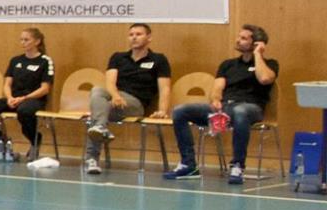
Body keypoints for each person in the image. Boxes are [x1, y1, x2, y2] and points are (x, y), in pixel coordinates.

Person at [167, 24, 280, 184]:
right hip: (225, 107)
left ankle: (237, 165)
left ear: (256, 43)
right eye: (238, 37)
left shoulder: (270, 64)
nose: (238, 41)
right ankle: (188, 164)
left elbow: (265, 79)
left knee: (241, 112)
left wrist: (257, 55)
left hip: (251, 108)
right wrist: (215, 100)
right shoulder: (228, 64)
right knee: (180, 111)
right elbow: (218, 87)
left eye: (243, 38)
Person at [87, 22, 170, 175]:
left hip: (135, 104)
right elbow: (110, 82)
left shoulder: (159, 59)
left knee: (97, 112)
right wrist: (116, 96)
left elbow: (164, 88)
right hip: (115, 99)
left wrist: (163, 110)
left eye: (138, 34)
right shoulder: (118, 57)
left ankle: (92, 156)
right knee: (97, 92)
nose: (134, 38)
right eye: (131, 35)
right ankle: (99, 133)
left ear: (149, 37)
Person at [0, 28, 53, 163]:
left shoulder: (45, 61)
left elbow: (45, 88)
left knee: (24, 111)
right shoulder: (16, 60)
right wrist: (10, 97)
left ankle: (35, 139)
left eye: (26, 39)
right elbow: (7, 84)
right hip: (13, 98)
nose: (23, 42)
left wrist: (24, 98)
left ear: (37, 41)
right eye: (21, 39)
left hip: (33, 99)